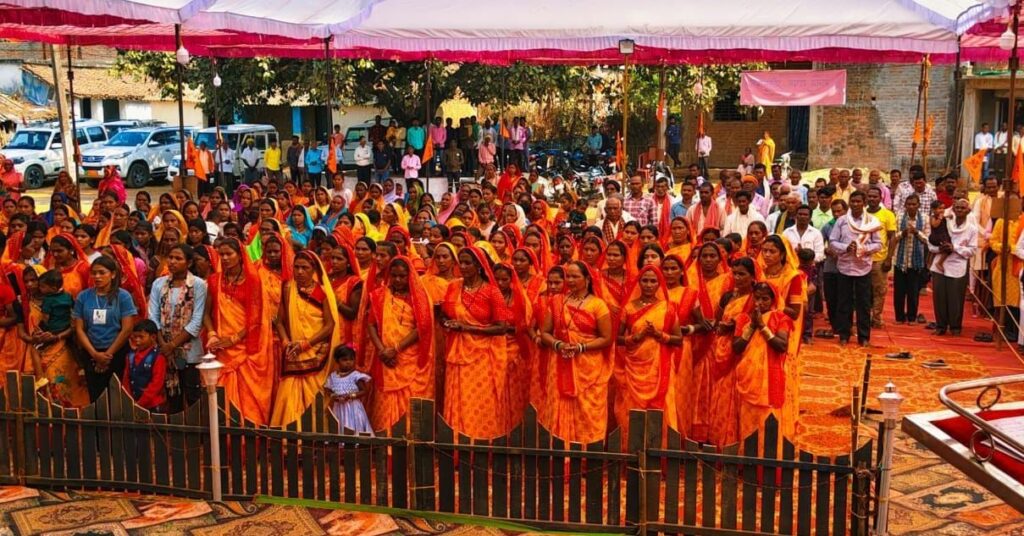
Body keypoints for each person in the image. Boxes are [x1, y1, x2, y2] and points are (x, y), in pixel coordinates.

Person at [540, 261, 613, 444]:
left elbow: (606, 338)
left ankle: (587, 453)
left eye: (575, 276)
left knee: (588, 411)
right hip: (560, 363)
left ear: (587, 279)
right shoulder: (557, 301)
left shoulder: (598, 305)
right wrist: (558, 345)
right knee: (558, 406)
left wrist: (581, 347)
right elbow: (545, 332)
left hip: (589, 367)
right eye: (568, 276)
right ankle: (561, 453)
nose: (570, 280)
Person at [441, 247, 510, 438]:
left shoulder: (492, 292)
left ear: (479, 266)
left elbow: (502, 327)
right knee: (458, 397)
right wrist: (447, 323)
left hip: (484, 356)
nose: (463, 267)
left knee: (480, 401)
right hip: (457, 351)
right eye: (460, 263)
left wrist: (467, 328)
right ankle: (457, 443)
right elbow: (444, 314)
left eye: (467, 263)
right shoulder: (453, 287)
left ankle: (481, 442)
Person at [204, 237, 273, 425]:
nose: (225, 258)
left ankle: (250, 435)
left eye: (229, 254)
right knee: (222, 395)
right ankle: (223, 436)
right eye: (222, 254)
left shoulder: (253, 281)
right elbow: (206, 314)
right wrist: (212, 334)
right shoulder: (214, 281)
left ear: (240, 255)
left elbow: (256, 319)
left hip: (247, 349)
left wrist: (234, 339)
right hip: (221, 348)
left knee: (248, 398)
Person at [365, 257, 434, 432]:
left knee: (411, 404)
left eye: (402, 276)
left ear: (409, 276)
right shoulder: (380, 295)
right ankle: (386, 442)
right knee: (385, 402)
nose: (397, 280)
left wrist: (395, 349)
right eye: (394, 275)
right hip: (385, 359)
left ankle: (411, 442)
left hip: (410, 358)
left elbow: (422, 328)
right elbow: (371, 324)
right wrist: (382, 351)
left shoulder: (419, 297)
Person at [271, 251, 339, 427]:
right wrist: (286, 342)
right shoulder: (287, 288)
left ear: (314, 270)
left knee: (313, 396)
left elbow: (330, 325)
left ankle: (312, 435)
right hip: (292, 350)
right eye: (297, 267)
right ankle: (287, 435)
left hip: (315, 351)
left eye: (305, 268)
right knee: (288, 393)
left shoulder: (321, 292)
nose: (300, 271)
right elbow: (279, 321)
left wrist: (306, 345)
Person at [615, 265, 682, 439]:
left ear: (659, 284)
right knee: (631, 408)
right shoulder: (629, 308)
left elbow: (678, 339)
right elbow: (617, 339)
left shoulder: (668, 308)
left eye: (653, 281)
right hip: (634, 368)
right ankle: (631, 447)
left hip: (660, 366)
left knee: (660, 408)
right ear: (639, 282)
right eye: (645, 280)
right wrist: (636, 337)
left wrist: (659, 335)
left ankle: (660, 447)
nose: (649, 285)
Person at [731, 282, 794, 442]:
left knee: (768, 419)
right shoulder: (743, 318)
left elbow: (781, 346)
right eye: (757, 298)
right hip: (748, 377)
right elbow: (737, 347)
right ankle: (748, 453)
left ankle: (769, 453)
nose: (759, 303)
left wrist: (762, 326)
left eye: (765, 299)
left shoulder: (781, 318)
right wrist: (752, 326)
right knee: (748, 420)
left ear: (773, 300)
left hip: (770, 379)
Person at [148, 244, 207, 409]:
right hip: (164, 348)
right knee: (172, 396)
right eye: (171, 257)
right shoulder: (159, 284)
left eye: (178, 258)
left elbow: (197, 320)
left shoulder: (198, 285)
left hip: (190, 350)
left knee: (193, 396)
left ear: (189, 263)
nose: (172, 262)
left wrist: (172, 345)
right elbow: (153, 316)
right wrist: (164, 345)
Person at [73, 256, 139, 402]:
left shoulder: (123, 296)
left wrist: (107, 356)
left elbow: (127, 329)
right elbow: (79, 329)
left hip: (117, 352)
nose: (97, 277)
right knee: (95, 397)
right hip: (91, 352)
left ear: (113, 274)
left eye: (102, 273)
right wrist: (95, 355)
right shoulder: (83, 296)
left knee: (116, 396)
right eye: (94, 273)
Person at [828, 191, 881, 346]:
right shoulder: (842, 221)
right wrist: (846, 247)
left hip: (863, 267)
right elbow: (833, 241)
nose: (855, 204)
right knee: (844, 302)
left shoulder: (871, 221)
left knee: (863, 303)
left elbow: (878, 244)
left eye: (858, 201)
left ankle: (864, 337)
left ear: (864, 203)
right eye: (853, 201)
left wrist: (863, 248)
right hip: (844, 266)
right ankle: (844, 335)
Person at [929, 199, 978, 336]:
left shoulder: (972, 229)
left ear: (968, 211)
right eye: (957, 207)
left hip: (957, 266)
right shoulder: (945, 222)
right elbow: (931, 242)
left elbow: (972, 250)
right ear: (953, 209)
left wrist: (955, 248)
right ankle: (941, 326)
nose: (959, 210)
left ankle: (955, 327)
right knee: (939, 298)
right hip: (939, 264)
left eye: (963, 208)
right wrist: (940, 248)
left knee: (955, 299)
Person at [892, 194, 929, 325]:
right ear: (905, 205)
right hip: (900, 260)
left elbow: (928, 239)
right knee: (899, 291)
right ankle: (899, 317)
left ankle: (912, 317)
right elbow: (893, 237)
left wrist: (916, 232)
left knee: (913, 292)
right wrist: (903, 233)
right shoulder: (899, 217)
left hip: (916, 262)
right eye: (909, 204)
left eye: (914, 204)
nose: (911, 207)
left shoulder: (924, 218)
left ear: (918, 205)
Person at [865, 186, 897, 328]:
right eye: (870, 196)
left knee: (879, 290)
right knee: (864, 291)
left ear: (880, 198)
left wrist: (889, 258)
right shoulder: (861, 213)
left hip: (879, 259)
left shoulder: (888, 215)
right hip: (862, 260)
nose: (872, 199)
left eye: (875, 196)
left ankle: (877, 318)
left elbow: (892, 237)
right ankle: (864, 317)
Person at [121, 320, 168, 412]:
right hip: (134, 402)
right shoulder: (130, 356)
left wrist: (140, 403)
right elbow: (126, 379)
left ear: (153, 337)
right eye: (135, 337)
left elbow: (156, 384)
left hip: (153, 404)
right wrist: (129, 400)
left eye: (141, 337)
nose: (137, 340)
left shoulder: (158, 357)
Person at [324, 345, 373, 434]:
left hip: (353, 408)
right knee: (339, 428)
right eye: (344, 360)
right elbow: (328, 389)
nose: (348, 362)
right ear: (337, 361)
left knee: (353, 428)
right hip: (338, 408)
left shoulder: (355, 375)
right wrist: (333, 396)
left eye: (351, 359)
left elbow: (364, 391)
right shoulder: (333, 376)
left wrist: (350, 396)